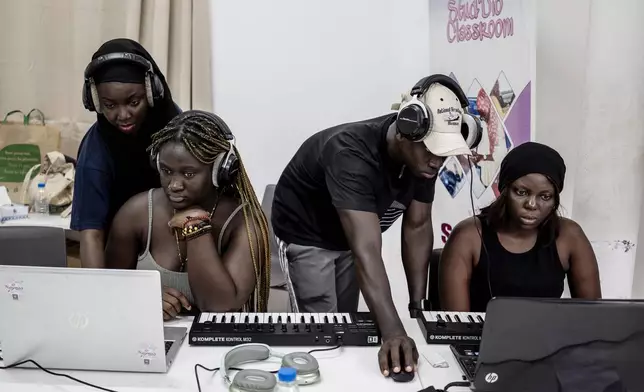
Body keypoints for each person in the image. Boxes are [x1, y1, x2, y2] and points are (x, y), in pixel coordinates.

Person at [271, 75, 482, 377]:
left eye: (443, 152)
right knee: (322, 325)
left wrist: (417, 306)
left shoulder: (425, 157)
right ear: (407, 130)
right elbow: (367, 252)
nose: (437, 161)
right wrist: (394, 332)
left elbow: (418, 225)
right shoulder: (350, 153)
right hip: (307, 232)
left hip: (351, 233)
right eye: (432, 150)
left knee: (347, 322)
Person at [105, 110, 271, 318]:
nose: (174, 185)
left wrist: (196, 229)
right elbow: (107, 288)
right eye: (166, 171)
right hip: (148, 340)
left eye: (189, 173)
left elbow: (219, 307)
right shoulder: (136, 213)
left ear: (220, 170)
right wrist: (142, 297)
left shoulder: (245, 222)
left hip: (213, 345)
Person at [439, 142, 602, 312]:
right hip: (483, 339)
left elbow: (593, 320)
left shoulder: (569, 237)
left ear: (555, 200)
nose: (531, 204)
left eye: (545, 197)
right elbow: (457, 328)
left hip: (549, 338)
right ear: (504, 190)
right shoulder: (468, 236)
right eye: (521, 192)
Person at [71, 38, 181, 268]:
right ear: (96, 102)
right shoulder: (96, 152)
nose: (123, 115)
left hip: (182, 252)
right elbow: (92, 235)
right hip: (121, 261)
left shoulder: (178, 131)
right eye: (110, 105)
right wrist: (102, 295)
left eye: (134, 101)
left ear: (152, 92)